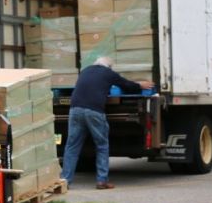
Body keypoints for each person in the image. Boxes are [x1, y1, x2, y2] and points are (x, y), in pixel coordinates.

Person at [61, 56, 155, 189]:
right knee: (102, 145)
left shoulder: (85, 71)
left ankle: (65, 181)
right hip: (94, 110)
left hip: (75, 109)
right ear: (109, 67)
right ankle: (102, 181)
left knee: (72, 146)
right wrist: (141, 84)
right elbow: (127, 85)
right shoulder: (108, 73)